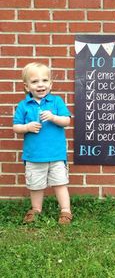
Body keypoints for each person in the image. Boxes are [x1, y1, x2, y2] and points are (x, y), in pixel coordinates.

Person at [13, 62, 72, 225]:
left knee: (60, 183)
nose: (40, 85)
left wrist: (53, 117)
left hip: (56, 154)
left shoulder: (56, 102)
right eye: (35, 82)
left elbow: (66, 120)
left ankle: (65, 211)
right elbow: (16, 127)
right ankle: (36, 209)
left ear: (50, 84)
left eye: (45, 81)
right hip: (34, 155)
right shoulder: (23, 105)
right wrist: (27, 127)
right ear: (27, 87)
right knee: (36, 186)